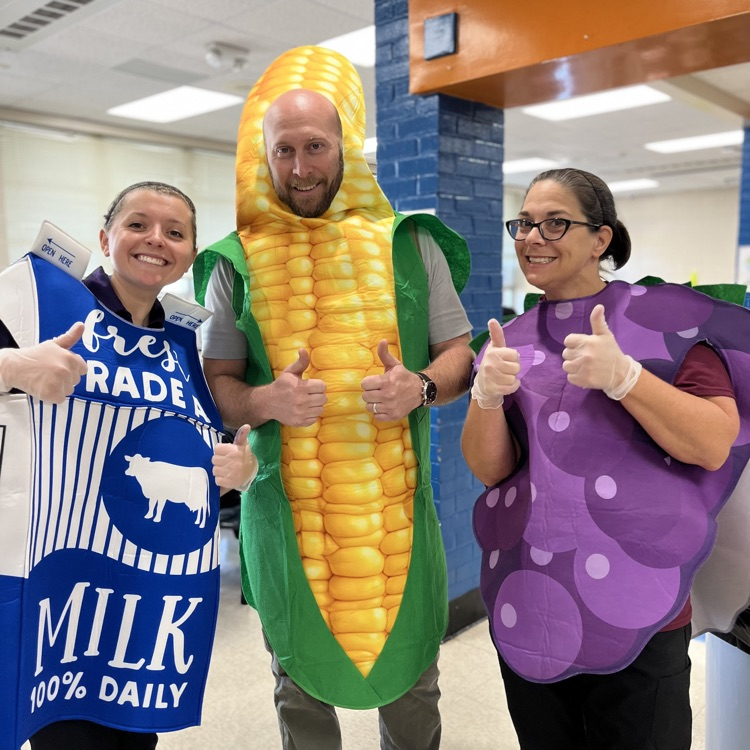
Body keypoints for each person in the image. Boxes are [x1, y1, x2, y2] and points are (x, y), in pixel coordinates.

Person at [193, 46, 475, 749]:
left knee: (415, 692)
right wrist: (265, 404)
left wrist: (424, 385)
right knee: (298, 694)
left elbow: (461, 357)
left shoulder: (412, 246)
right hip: (289, 519)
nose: (300, 168)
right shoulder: (237, 262)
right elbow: (221, 390)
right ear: (264, 156)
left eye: (315, 146)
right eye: (282, 149)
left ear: (343, 145)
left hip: (393, 518)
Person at [462, 167, 750, 749]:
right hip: (533, 594)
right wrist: (485, 396)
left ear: (601, 239)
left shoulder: (667, 324)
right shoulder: (509, 339)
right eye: (523, 223)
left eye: (555, 223)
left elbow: (712, 442)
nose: (531, 237)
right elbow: (493, 470)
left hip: (642, 604)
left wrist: (626, 377)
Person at [0, 182, 256, 750]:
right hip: (53, 585)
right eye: (138, 224)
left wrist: (242, 470)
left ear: (189, 255)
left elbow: (209, 443)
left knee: (132, 739)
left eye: (175, 232)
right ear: (105, 237)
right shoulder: (36, 308)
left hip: (143, 598)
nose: (155, 240)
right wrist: (11, 366)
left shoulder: (183, 345)